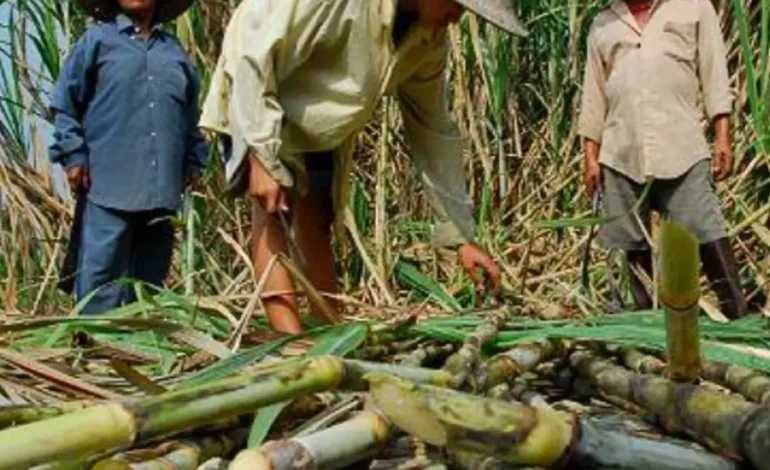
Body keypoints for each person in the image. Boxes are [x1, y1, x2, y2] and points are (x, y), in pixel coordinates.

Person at [200, 0, 526, 334]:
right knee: (271, 211)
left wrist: (461, 237)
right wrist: (259, 152)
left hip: (319, 119)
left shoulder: (427, 41)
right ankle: (289, 343)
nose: (458, 17)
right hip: (258, 89)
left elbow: (432, 131)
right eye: (457, 5)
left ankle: (327, 329)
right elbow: (253, 51)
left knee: (317, 216)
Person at [578, 0, 747, 318]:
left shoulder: (692, 7)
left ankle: (739, 319)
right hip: (620, 151)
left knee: (706, 228)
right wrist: (590, 156)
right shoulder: (603, 22)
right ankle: (649, 326)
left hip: (681, 146)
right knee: (630, 244)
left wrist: (723, 134)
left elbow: (713, 72)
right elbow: (593, 94)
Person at [50, 0, 208, 314]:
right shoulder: (97, 42)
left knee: (150, 276)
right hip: (108, 183)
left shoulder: (174, 52)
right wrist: (74, 155)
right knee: (102, 271)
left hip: (163, 187)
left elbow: (191, 118)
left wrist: (194, 161)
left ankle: (140, 346)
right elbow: (65, 106)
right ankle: (95, 346)